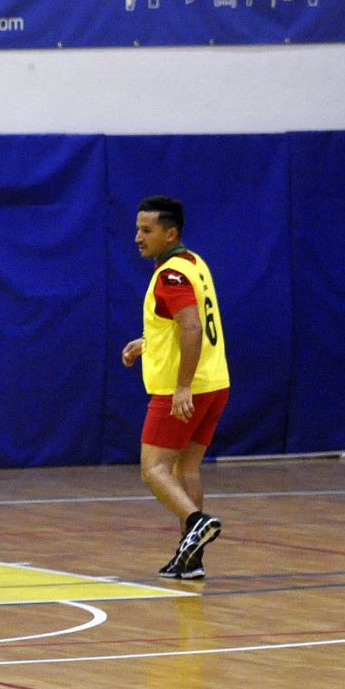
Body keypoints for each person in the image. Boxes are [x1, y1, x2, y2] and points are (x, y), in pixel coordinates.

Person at [121, 195, 228, 580]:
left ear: (170, 233)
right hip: (215, 383)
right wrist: (148, 343)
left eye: (146, 230)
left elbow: (192, 327)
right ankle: (190, 559)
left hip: (181, 389)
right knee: (187, 469)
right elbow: (183, 324)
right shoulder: (193, 263)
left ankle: (196, 522)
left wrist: (182, 387)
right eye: (137, 229)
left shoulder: (170, 276)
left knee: (154, 469)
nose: (138, 237)